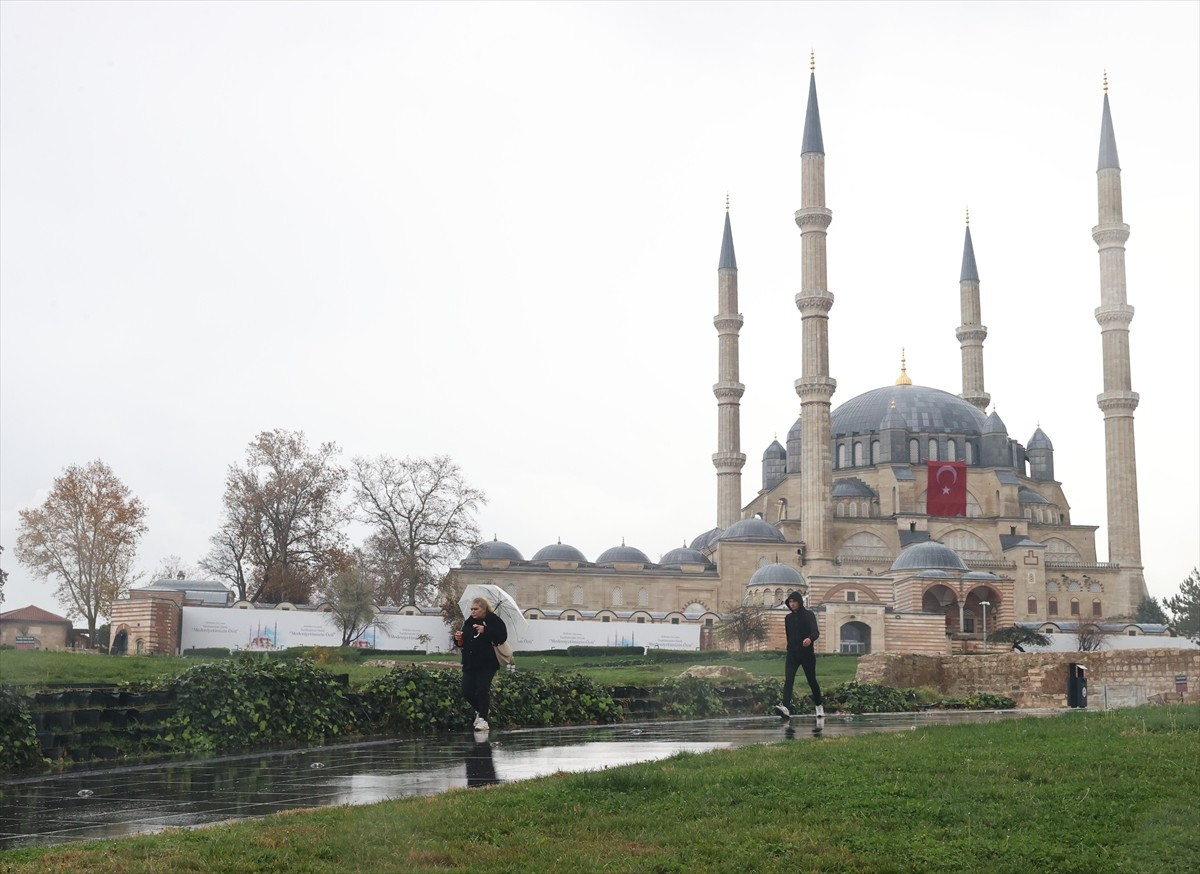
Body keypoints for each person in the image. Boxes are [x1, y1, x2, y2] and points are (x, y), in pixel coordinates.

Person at [455, 597, 508, 731]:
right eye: (471, 609)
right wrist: (458, 639)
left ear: (484, 609)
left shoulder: (493, 620)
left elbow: (502, 636)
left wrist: (486, 630)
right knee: (466, 691)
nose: (473, 611)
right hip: (470, 662)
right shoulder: (468, 622)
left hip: (487, 663)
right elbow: (464, 641)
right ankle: (482, 711)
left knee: (481, 690)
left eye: (476, 609)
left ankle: (483, 719)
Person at [774, 590, 824, 719]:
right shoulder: (788, 618)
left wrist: (809, 639)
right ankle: (785, 707)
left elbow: (815, 632)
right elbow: (789, 636)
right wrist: (790, 647)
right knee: (789, 680)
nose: (792, 604)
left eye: (794, 601)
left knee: (811, 680)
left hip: (807, 654)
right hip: (792, 654)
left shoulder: (809, 615)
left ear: (800, 602)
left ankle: (819, 706)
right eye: (790, 602)